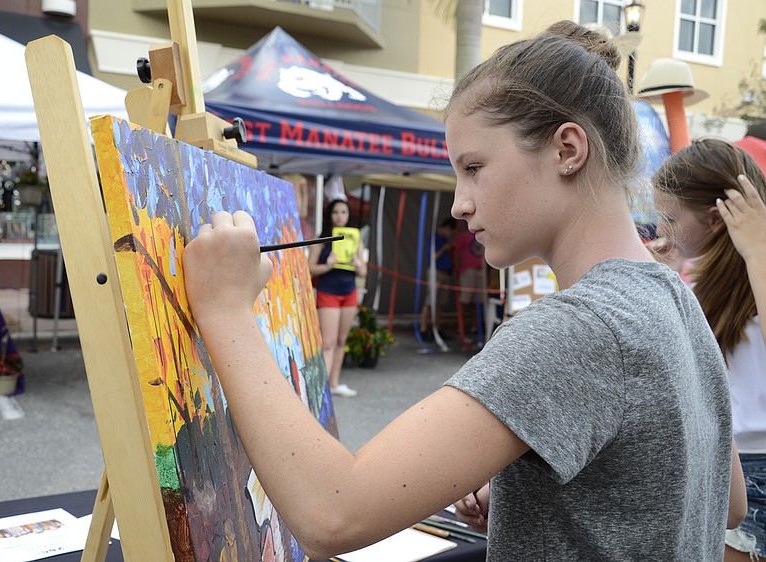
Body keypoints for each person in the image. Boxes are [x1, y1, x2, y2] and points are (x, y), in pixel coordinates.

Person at [182, 21, 746, 560]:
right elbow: (726, 502)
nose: (459, 203)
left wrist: (226, 310)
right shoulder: (676, 301)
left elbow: (331, 513)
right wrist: (545, 477)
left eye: (474, 167)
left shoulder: (576, 329)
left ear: (567, 150)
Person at [652, 138, 766, 562]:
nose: (660, 230)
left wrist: (759, 251)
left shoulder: (758, 268)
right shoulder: (696, 281)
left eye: (670, 217)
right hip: (715, 464)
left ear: (715, 220)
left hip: (753, 467)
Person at [307, 198, 366, 397]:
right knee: (328, 342)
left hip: (349, 292)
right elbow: (310, 268)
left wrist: (359, 264)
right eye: (335, 212)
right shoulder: (322, 238)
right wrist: (327, 265)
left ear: (348, 215)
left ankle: (334, 383)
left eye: (343, 212)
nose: (340, 216)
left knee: (341, 340)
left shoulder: (355, 238)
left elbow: (363, 272)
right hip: (328, 292)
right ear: (329, 215)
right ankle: (321, 388)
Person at [418, 217, 455, 339]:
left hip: (445, 273)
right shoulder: (434, 239)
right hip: (436, 272)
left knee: (440, 304)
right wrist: (444, 248)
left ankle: (437, 329)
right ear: (446, 228)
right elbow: (432, 257)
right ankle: (423, 330)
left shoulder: (444, 239)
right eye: (451, 232)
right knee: (429, 302)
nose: (451, 235)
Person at [454, 221, 485, 342]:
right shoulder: (463, 236)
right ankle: (461, 327)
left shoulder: (483, 234)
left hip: (481, 270)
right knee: (465, 299)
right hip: (468, 270)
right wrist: (458, 267)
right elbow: (455, 250)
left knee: (478, 301)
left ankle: (474, 326)